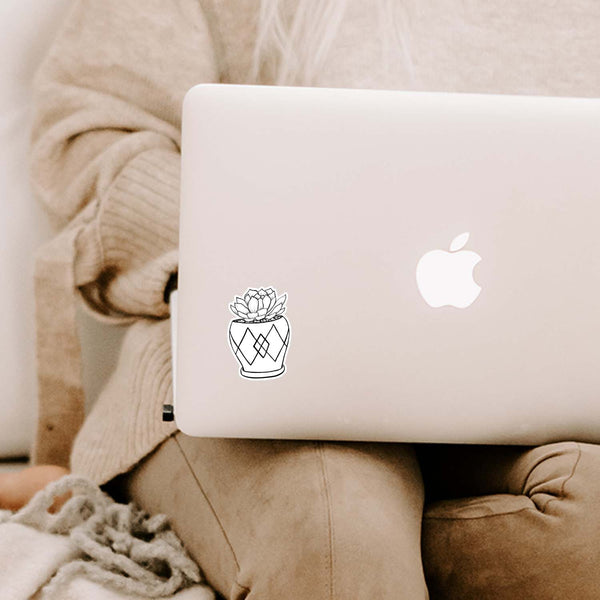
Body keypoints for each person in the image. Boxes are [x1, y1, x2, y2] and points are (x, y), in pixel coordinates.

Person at [20, 1, 600, 598]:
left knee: (590, 532)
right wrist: (249, 246)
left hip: (542, 401)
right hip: (258, 373)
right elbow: (89, 130)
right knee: (336, 523)